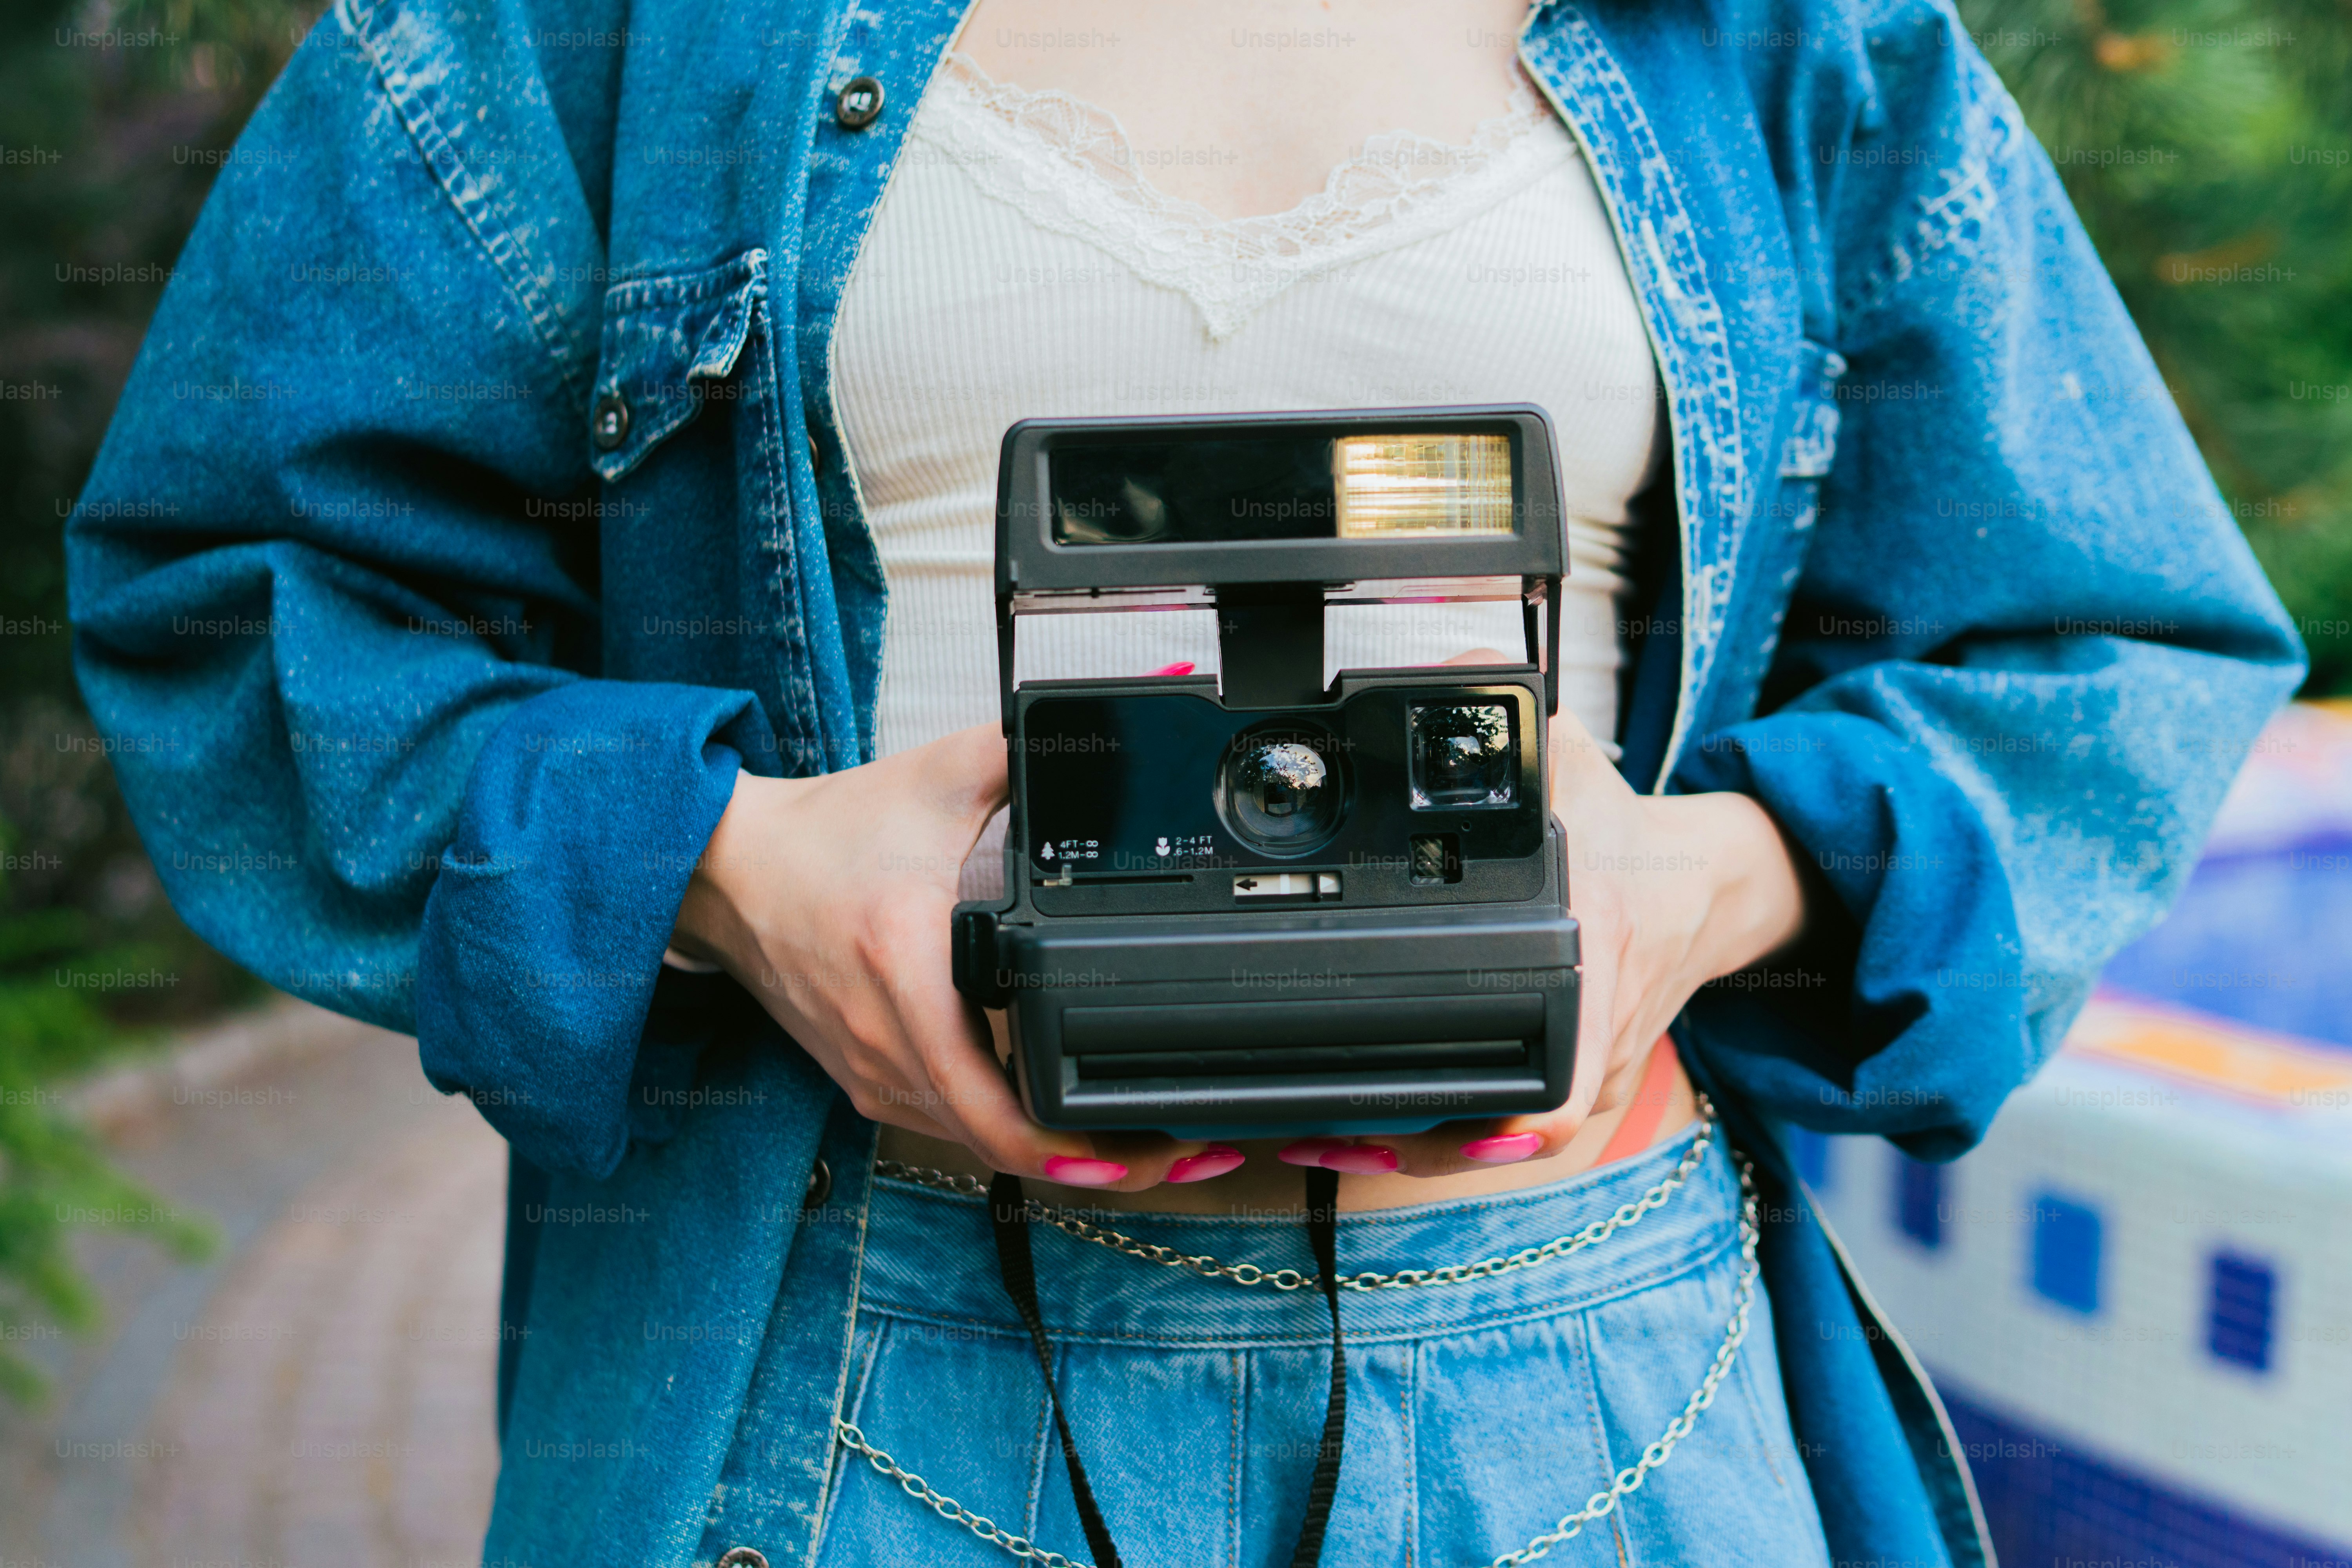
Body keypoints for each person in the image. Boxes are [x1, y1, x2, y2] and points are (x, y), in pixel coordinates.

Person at [67, 0, 2302, 1561]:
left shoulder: (1791, 37)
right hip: (859, 1342)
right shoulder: (596, 26)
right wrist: (740, 869)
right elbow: (244, 594)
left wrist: (1696, 884)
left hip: (1589, 1350)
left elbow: (2106, 645)